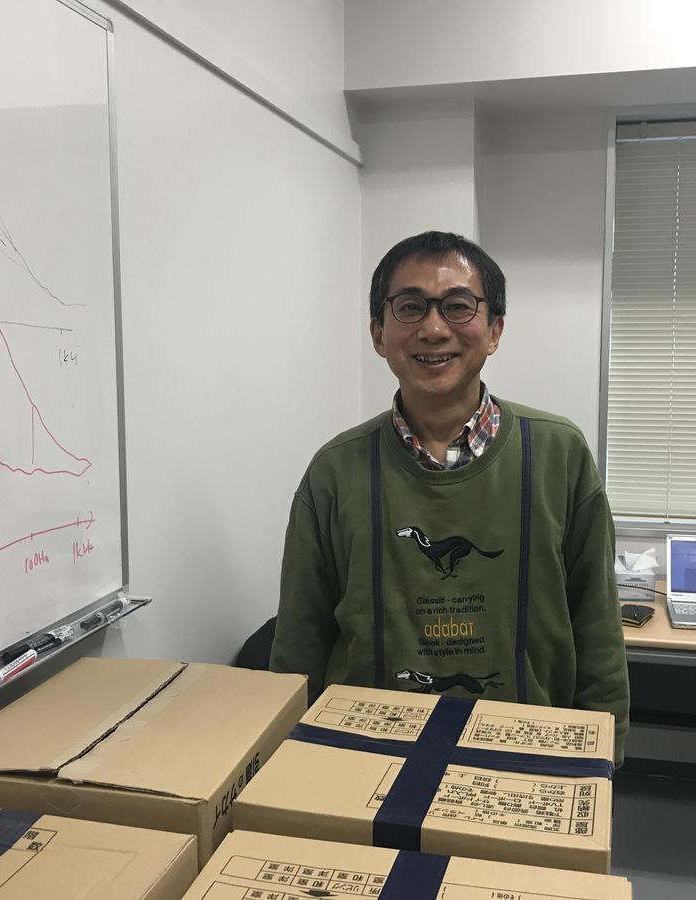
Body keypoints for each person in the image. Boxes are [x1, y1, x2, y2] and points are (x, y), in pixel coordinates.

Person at [269, 231, 628, 764]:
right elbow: (300, 641)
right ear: (378, 333)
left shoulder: (559, 455)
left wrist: (605, 754)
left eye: (458, 307)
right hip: (366, 760)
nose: (434, 329)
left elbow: (596, 626)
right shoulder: (335, 471)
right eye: (409, 308)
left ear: (494, 330)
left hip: (525, 753)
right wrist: (292, 762)